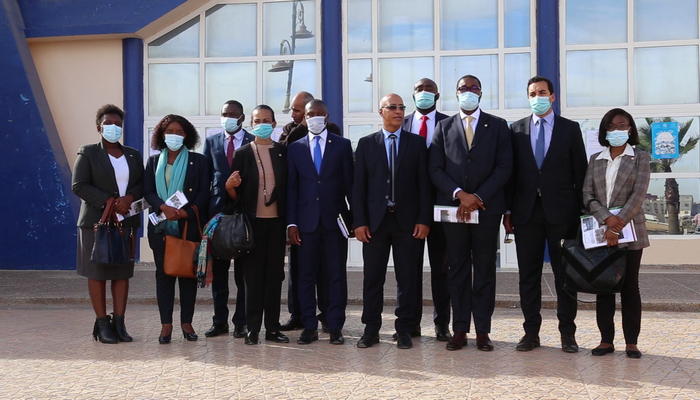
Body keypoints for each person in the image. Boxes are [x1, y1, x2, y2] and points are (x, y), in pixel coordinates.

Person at [503, 75, 587, 353]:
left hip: (562, 214)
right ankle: (531, 333)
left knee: (565, 277)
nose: (537, 97)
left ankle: (568, 334)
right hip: (526, 214)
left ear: (552, 96)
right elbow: (511, 175)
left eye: (542, 92)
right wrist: (508, 211)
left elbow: (580, 172)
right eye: (532, 93)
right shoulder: (516, 130)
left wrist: (583, 213)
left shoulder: (570, 129)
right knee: (528, 276)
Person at [429, 75, 513, 352]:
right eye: (463, 88)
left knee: (485, 270)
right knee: (457, 269)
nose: (468, 92)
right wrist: (459, 195)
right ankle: (460, 329)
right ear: (456, 94)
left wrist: (477, 197)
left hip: (486, 211)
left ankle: (483, 331)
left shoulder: (498, 126)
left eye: (473, 88)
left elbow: (504, 167)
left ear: (481, 92)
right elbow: (435, 168)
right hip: (454, 212)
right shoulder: (443, 127)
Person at [353, 93, 432, 350]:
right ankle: (371, 329)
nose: (398, 111)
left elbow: (424, 186)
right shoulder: (366, 144)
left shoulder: (416, 143)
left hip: (407, 223)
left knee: (407, 278)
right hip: (374, 224)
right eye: (392, 107)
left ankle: (405, 329)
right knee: (372, 278)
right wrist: (359, 222)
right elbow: (358, 187)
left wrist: (423, 219)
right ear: (381, 112)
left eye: (401, 107)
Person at [72, 104, 144, 344]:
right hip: (96, 222)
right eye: (109, 124)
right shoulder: (88, 152)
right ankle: (102, 324)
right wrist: (110, 202)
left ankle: (119, 323)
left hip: (126, 222)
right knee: (98, 271)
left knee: (122, 272)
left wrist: (129, 198)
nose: (114, 128)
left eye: (118, 124)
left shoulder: (133, 155)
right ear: (99, 127)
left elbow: (143, 185)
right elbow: (79, 185)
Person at [582, 108, 651, 359]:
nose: (617, 130)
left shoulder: (640, 157)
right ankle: (605, 341)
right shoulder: (596, 159)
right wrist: (606, 220)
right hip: (602, 232)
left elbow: (639, 195)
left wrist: (616, 226)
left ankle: (631, 342)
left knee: (630, 287)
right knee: (604, 286)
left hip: (630, 231)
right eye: (611, 126)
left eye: (622, 125)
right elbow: (587, 195)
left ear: (630, 129)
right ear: (605, 131)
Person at [287, 99, 354, 345]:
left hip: (334, 221)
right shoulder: (295, 148)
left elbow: (350, 185)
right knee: (305, 276)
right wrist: (291, 224)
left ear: (327, 117)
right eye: (310, 114)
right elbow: (292, 188)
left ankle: (335, 326)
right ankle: (309, 326)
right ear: (304, 119)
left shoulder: (342, 145)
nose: (314, 117)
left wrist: (355, 220)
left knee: (336, 275)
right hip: (305, 223)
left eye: (319, 113)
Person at [225, 105, 289, 345]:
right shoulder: (242, 153)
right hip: (251, 226)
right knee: (252, 279)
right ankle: (252, 329)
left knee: (274, 277)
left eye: (266, 120)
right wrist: (229, 187)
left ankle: (272, 328)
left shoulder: (283, 152)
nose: (262, 124)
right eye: (257, 121)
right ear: (251, 125)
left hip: (276, 225)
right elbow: (235, 195)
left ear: (274, 124)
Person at [143, 114, 210, 344]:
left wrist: (184, 213)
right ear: (162, 135)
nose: (174, 136)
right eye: (170, 132)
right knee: (164, 276)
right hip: (160, 228)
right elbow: (148, 191)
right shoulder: (153, 162)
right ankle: (166, 326)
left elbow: (203, 194)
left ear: (187, 136)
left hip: (187, 227)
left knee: (187, 276)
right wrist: (163, 207)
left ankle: (186, 323)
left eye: (179, 132)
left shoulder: (199, 161)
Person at [278, 91, 340, 332]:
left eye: (297, 110)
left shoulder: (334, 134)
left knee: (330, 273)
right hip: (304, 219)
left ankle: (330, 319)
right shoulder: (291, 133)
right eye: (305, 114)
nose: (294, 114)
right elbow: (290, 180)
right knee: (301, 273)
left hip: (330, 218)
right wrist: (291, 222)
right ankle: (303, 319)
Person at [402, 78, 452, 341]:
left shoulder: (450, 124)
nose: (423, 93)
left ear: (437, 95)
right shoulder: (402, 123)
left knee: (441, 269)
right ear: (413, 95)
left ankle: (442, 323)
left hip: (441, 205)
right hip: (410, 210)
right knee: (410, 269)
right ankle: (411, 323)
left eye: (428, 90)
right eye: (419, 89)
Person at [202, 100, 254, 339]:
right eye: (225, 114)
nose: (228, 118)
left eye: (233, 114)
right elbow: (205, 177)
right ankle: (219, 321)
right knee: (220, 273)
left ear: (242, 117)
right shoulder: (211, 142)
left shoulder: (252, 141)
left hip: (244, 213)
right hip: (218, 215)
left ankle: (241, 322)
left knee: (243, 274)